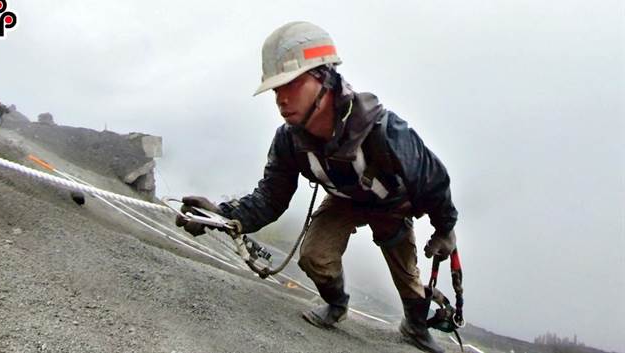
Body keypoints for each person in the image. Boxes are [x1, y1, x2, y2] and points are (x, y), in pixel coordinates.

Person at [176, 21, 458, 353]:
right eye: (276, 90)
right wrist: (221, 217)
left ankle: (414, 327)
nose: (281, 99)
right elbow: (270, 197)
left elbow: (434, 181)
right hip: (343, 200)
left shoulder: (387, 133)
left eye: (290, 84)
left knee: (407, 278)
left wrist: (445, 230)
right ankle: (336, 305)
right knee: (314, 257)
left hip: (390, 206)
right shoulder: (289, 140)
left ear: (324, 78)